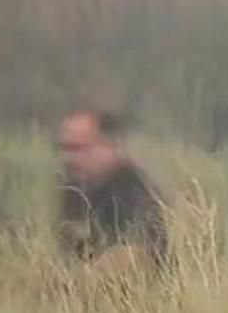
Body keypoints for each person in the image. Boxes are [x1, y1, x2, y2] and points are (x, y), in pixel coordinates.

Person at [55, 107, 168, 273]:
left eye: (79, 148)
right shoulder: (74, 189)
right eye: (66, 149)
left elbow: (137, 255)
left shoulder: (135, 191)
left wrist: (81, 280)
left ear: (109, 146)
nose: (69, 158)